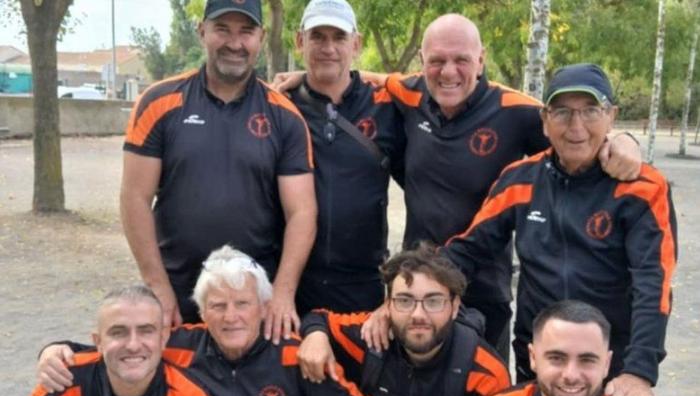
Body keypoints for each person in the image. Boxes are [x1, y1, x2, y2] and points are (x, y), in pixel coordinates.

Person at [357, 14, 642, 360]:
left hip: (485, 289)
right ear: (422, 61)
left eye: (461, 59)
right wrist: (303, 79)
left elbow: (574, 128)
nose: (448, 72)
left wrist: (622, 139)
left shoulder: (517, 110)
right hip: (421, 287)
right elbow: (360, 78)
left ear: (481, 59)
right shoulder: (410, 91)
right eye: (437, 61)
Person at [443, 63, 677, 396]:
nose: (576, 125)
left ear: (611, 116)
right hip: (540, 362)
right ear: (545, 120)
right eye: (563, 112)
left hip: (610, 368)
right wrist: (414, 291)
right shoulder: (520, 180)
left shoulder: (643, 188)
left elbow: (654, 284)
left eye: (590, 110)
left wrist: (640, 372)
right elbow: (466, 251)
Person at [37, 246, 385, 396]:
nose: (230, 317)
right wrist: (54, 350)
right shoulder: (178, 345)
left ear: (264, 308)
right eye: (218, 306)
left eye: (242, 304)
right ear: (202, 313)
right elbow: (118, 350)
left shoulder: (298, 356)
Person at [120, 0, 317, 344]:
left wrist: (283, 294)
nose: (235, 43)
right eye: (222, 29)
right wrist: (157, 286)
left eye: (246, 31)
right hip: (178, 295)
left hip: (253, 300)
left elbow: (302, 212)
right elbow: (135, 198)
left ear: (261, 37)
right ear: (202, 31)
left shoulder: (285, 117)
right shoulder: (157, 103)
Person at [298, 245, 510, 396]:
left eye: (433, 301)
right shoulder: (368, 339)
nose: (418, 314)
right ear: (387, 306)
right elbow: (319, 318)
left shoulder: (486, 374)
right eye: (405, 301)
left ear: (455, 307)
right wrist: (315, 334)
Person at [287, 0, 405, 316]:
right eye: (318, 36)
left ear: (356, 43)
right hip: (291, 282)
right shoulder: (279, 106)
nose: (328, 47)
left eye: (338, 37)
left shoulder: (387, 106)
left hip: (363, 283)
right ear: (300, 41)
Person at [2, 286, 227, 396]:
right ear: (97, 341)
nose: (133, 345)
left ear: (163, 338)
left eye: (146, 330)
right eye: (118, 332)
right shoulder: (67, 377)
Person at [457, 301, 680, 396]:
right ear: (533, 358)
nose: (571, 374)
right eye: (557, 358)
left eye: (587, 360)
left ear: (607, 364)